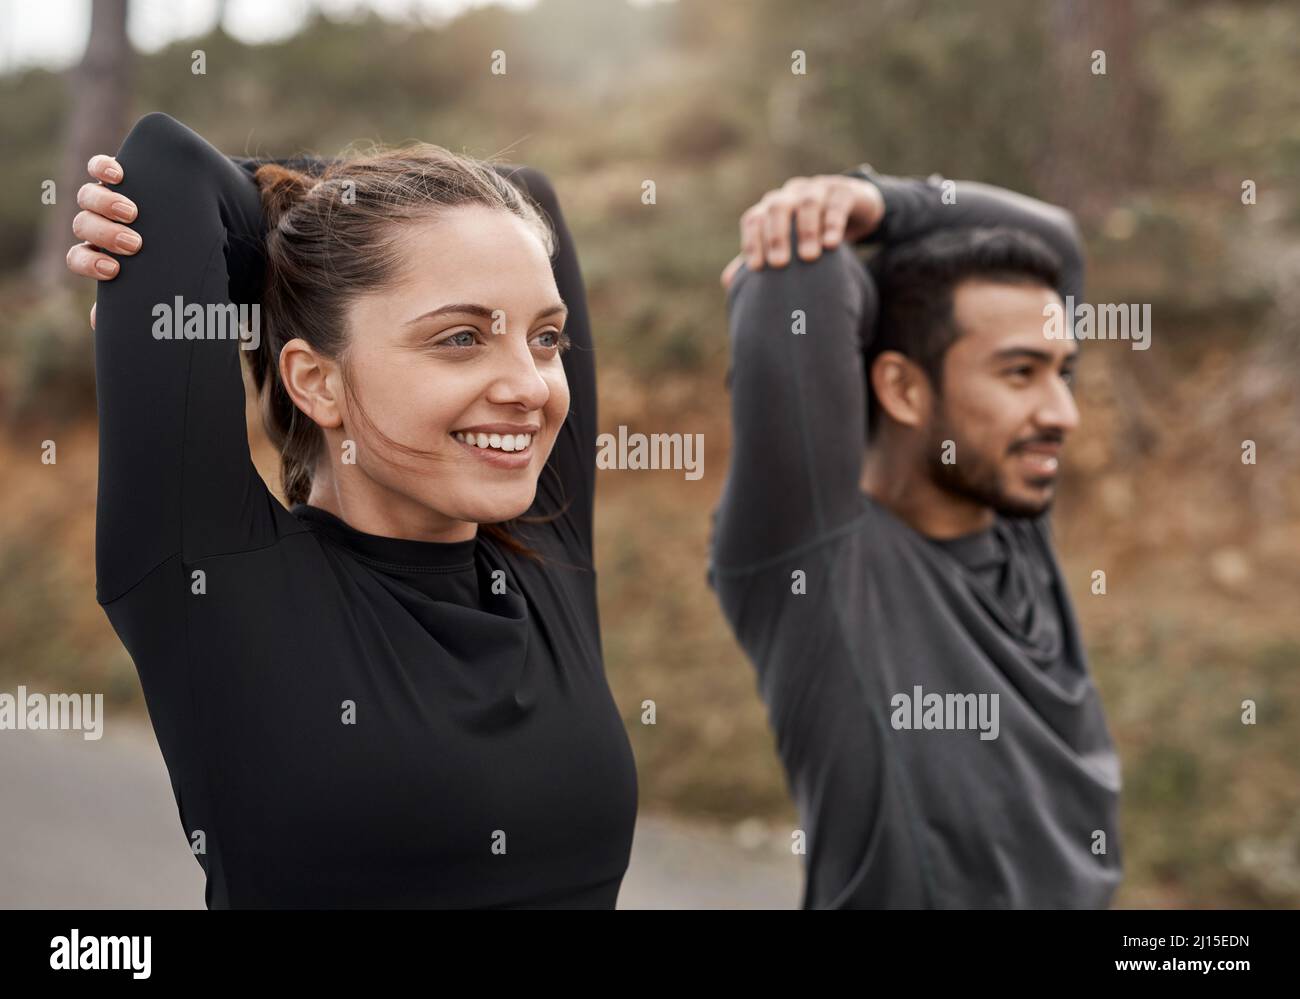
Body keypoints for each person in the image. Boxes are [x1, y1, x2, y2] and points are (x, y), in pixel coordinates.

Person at [65, 111, 637, 908]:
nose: (531, 387)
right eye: (462, 339)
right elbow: (167, 173)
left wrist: (310, 211)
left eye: (545, 339)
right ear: (315, 381)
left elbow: (528, 196)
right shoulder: (213, 579)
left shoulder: (543, 549)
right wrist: (299, 219)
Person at [710, 167, 1123, 907]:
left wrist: (884, 202)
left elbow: (1052, 236)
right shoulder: (817, 561)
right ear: (902, 388)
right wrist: (819, 217)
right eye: (1021, 372)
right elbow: (803, 272)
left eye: (1065, 370)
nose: (1064, 411)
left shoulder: (1015, 519)